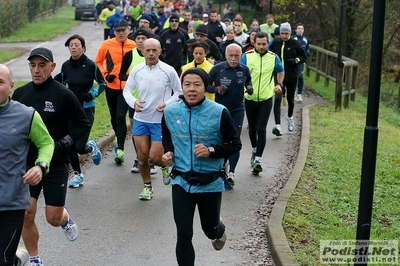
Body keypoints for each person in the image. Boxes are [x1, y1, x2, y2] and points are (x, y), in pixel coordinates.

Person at [12, 47, 90, 266]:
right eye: (32, 65)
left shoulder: (64, 95)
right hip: (28, 163)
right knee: (27, 213)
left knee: (52, 219)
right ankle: (35, 258)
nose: (36, 70)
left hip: (55, 163)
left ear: (52, 67)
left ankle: (64, 218)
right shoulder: (20, 94)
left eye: (42, 65)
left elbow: (82, 123)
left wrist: (65, 142)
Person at [161, 68, 242, 266]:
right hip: (181, 181)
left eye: (197, 84)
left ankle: (218, 229)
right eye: (187, 84)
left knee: (209, 230)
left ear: (205, 87)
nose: (191, 89)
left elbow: (235, 144)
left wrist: (211, 151)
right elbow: (167, 137)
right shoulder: (171, 112)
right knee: (183, 232)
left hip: (210, 182)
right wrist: (169, 152)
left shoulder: (219, 112)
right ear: (181, 87)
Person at [0, 64, 54, 266]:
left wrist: (40, 166)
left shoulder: (26, 115)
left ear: (11, 86)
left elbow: (46, 143)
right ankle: (17, 258)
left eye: (0, 82)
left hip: (10, 202)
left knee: (3, 260)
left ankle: (13, 259)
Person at [123, 38, 182, 200]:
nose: (150, 53)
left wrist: (167, 104)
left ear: (160, 52)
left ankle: (164, 167)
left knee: (155, 158)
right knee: (142, 157)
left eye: (154, 50)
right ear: (142, 51)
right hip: (141, 119)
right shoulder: (137, 69)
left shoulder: (168, 71)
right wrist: (133, 102)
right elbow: (127, 90)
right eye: (147, 50)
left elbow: (179, 92)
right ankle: (147, 187)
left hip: (160, 121)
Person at [54, 34, 106, 188]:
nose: (74, 48)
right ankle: (78, 175)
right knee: (69, 144)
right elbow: (61, 84)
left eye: (77, 45)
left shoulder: (90, 65)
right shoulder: (65, 66)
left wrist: (93, 94)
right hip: (70, 109)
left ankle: (90, 147)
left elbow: (103, 83)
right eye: (71, 45)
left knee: (79, 147)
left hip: (86, 109)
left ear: (83, 47)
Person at [239, 32, 284, 174]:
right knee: (252, 128)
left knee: (261, 128)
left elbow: (281, 71)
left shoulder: (273, 57)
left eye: (264, 44)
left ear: (267, 43)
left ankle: (258, 159)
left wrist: (279, 84)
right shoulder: (247, 56)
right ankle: (254, 150)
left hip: (266, 98)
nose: (261, 47)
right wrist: (245, 76)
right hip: (250, 97)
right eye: (259, 44)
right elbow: (239, 72)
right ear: (254, 43)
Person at [208, 43, 252, 187]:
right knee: (221, 140)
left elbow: (248, 81)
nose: (233, 59)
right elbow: (206, 85)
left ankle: (231, 172)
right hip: (221, 110)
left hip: (238, 109)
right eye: (231, 56)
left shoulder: (244, 69)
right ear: (226, 55)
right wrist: (216, 89)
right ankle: (221, 169)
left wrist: (249, 88)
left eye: (236, 56)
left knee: (234, 141)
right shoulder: (217, 69)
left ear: (241, 56)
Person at [95, 20, 136, 164]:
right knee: (114, 117)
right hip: (111, 86)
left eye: (123, 30)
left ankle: (120, 150)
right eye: (117, 30)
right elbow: (98, 62)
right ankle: (119, 139)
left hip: (127, 87)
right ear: (113, 31)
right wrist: (105, 74)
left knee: (120, 116)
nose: (120, 33)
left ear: (128, 30)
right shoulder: (107, 45)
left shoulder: (134, 45)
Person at [120, 28, 158, 175]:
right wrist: (132, 78)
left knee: (150, 135)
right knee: (138, 133)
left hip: (153, 104)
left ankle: (151, 161)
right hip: (136, 102)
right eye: (138, 38)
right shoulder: (130, 55)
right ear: (134, 41)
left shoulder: (155, 57)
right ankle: (139, 158)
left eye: (143, 38)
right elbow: (121, 74)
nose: (141, 41)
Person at [269, 22, 307, 133]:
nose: (284, 36)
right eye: (282, 33)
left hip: (291, 75)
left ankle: (290, 117)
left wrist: (296, 61)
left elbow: (304, 56)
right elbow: (268, 53)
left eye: (286, 33)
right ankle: (277, 125)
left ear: (289, 33)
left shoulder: (295, 43)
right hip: (278, 74)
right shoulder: (276, 42)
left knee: (290, 99)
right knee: (277, 98)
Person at [292, 23, 310, 103]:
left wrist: (306, 55)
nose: (300, 30)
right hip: (293, 61)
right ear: (295, 30)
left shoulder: (305, 39)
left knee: (300, 77)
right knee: (293, 77)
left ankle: (299, 94)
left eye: (302, 28)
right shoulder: (292, 38)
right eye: (298, 28)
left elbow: (307, 49)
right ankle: (293, 92)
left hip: (301, 61)